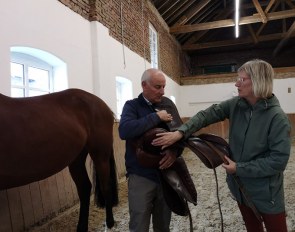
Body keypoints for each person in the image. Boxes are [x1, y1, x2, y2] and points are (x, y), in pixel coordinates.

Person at [152, 59, 291, 232]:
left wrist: (239, 168)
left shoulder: (277, 119)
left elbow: (278, 162)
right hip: (240, 188)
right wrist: (181, 132)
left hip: (267, 193)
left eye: (242, 79)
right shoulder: (236, 105)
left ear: (257, 81)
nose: (236, 83)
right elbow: (207, 115)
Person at [118, 68, 177, 232]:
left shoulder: (167, 105)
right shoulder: (132, 106)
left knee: (163, 226)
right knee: (139, 225)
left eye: (164, 87)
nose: (162, 91)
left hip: (166, 175)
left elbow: (180, 134)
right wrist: (156, 117)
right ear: (144, 85)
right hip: (141, 175)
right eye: (158, 87)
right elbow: (124, 130)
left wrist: (174, 152)